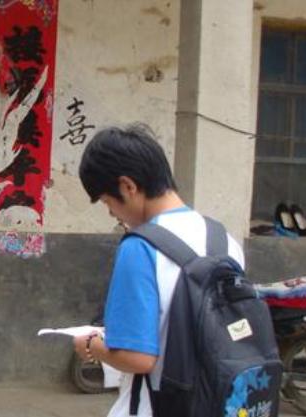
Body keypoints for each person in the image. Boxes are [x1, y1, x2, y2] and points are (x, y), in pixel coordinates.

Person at [73, 124, 245, 417]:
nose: (112, 213)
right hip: (218, 403)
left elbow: (137, 358)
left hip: (155, 406)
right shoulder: (225, 241)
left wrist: (90, 345)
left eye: (107, 202)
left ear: (128, 187)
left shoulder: (140, 247)